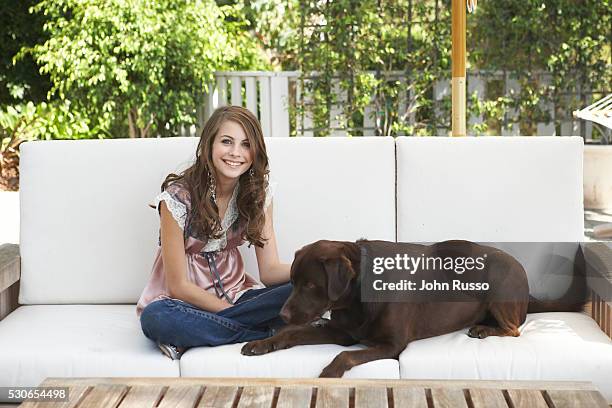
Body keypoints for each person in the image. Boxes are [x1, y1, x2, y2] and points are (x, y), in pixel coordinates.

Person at [137, 105, 292, 360]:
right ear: (209, 144)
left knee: (308, 288)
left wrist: (313, 266)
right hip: (185, 306)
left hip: (240, 297)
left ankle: (203, 336)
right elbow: (179, 286)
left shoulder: (258, 195)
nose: (235, 153)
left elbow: (270, 271)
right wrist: (230, 312)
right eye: (227, 142)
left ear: (255, 151)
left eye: (245, 144)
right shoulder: (176, 199)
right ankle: (264, 332)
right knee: (156, 319)